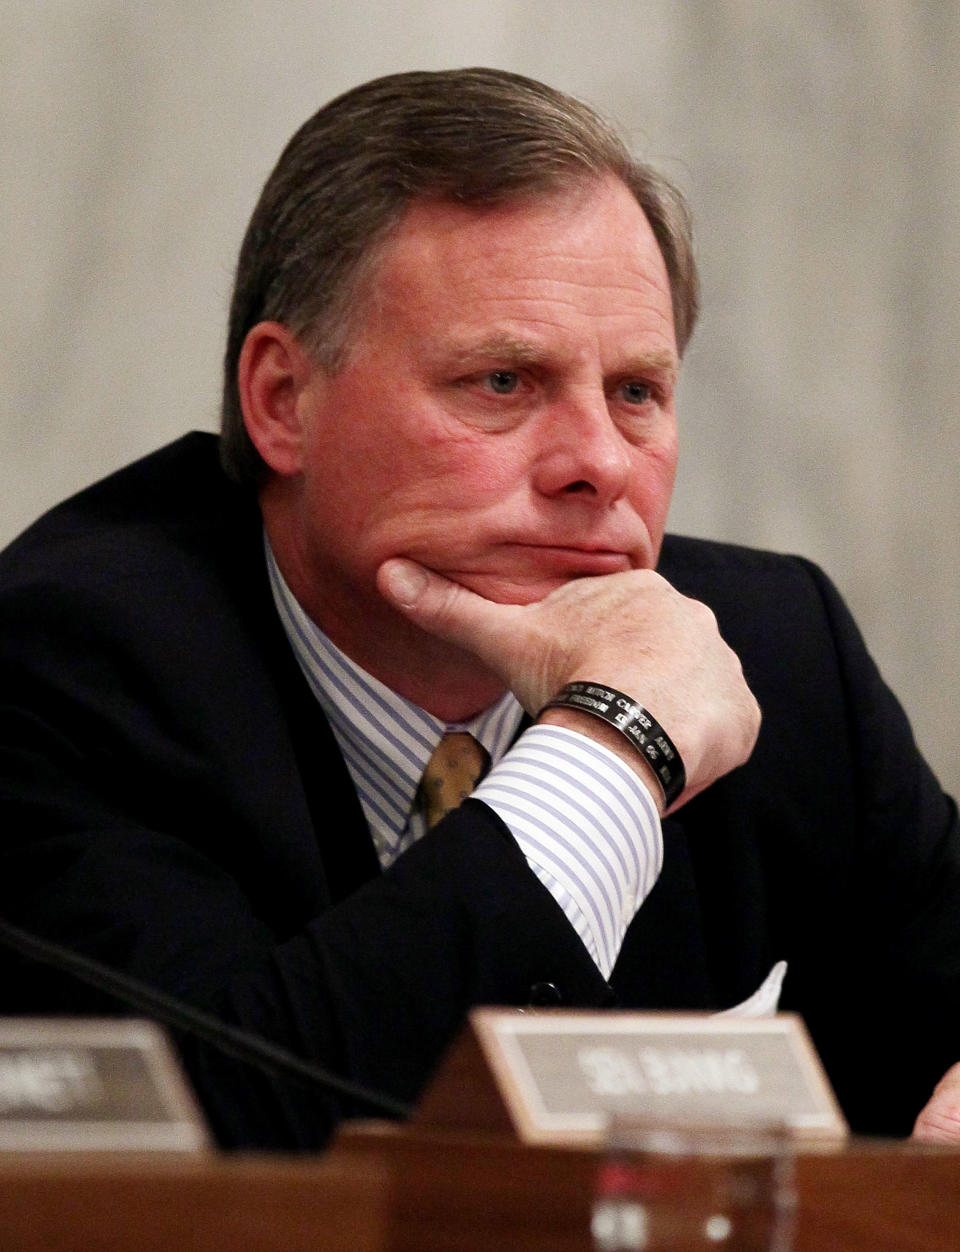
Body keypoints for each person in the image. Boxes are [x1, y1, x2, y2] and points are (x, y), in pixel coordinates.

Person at [1, 67, 959, 1150]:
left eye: (637, 391)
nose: (599, 462)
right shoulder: (68, 663)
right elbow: (236, 1133)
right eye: (502, 381)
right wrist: (611, 746)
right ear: (283, 399)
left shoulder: (780, 655)